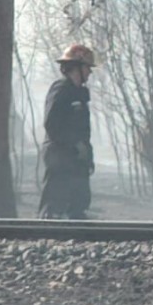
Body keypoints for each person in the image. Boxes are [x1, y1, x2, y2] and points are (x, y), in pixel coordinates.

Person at [39, 44, 97, 219]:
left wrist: (87, 154)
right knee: (55, 204)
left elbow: (83, 130)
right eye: (87, 67)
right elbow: (51, 123)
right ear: (75, 67)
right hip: (60, 155)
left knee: (78, 206)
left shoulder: (79, 94)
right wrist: (72, 144)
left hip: (76, 158)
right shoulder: (61, 89)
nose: (90, 72)